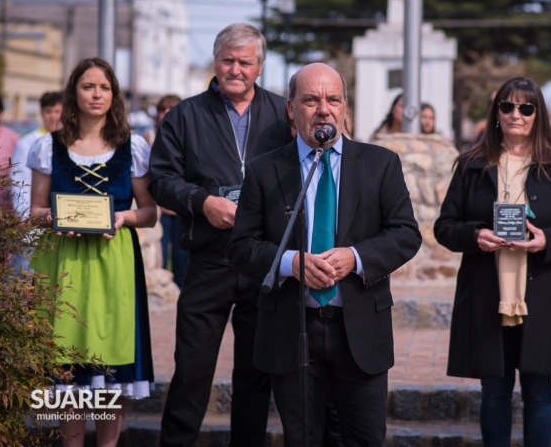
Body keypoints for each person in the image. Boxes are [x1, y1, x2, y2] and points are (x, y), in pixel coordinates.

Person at [227, 62, 422, 446]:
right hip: (292, 330)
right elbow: (241, 247)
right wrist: (290, 263)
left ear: (345, 107)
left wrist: (356, 257)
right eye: (311, 99)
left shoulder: (381, 164)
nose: (324, 109)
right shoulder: (266, 170)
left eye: (333, 99)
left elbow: (405, 235)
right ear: (291, 108)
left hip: (360, 330)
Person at [149, 23, 293, 447]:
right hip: (208, 260)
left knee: (254, 372)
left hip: (263, 262)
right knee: (192, 368)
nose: (235, 69)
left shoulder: (283, 115)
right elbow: (160, 179)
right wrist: (202, 202)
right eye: (227, 60)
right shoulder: (185, 115)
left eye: (245, 62)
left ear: (259, 67)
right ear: (215, 61)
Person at [434, 76, 551, 446]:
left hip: (543, 295)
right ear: (496, 113)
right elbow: (444, 227)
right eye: (507, 106)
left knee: (540, 394)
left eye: (526, 108)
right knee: (494, 393)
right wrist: (475, 234)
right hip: (488, 294)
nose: (515, 115)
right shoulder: (471, 165)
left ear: (538, 115)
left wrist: (547, 240)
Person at [27, 57, 157, 446]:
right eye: (88, 86)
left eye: (104, 87)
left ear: (114, 94)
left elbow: (150, 213)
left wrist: (121, 219)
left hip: (112, 262)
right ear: (74, 92)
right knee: (67, 362)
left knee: (109, 358)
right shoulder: (47, 146)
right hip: (62, 260)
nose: (96, 94)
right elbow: (33, 212)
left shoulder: (131, 146)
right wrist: (55, 216)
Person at [152, 94, 189, 288]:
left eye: (171, 108)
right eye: (162, 108)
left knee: (181, 258)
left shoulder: (189, 137)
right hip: (158, 210)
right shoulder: (148, 138)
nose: (166, 112)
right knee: (159, 257)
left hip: (182, 210)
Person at [10, 91, 63, 219]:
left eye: (57, 111)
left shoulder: (72, 142)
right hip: (36, 217)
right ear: (41, 113)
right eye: (48, 111)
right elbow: (20, 181)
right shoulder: (27, 142)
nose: (53, 117)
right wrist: (23, 214)